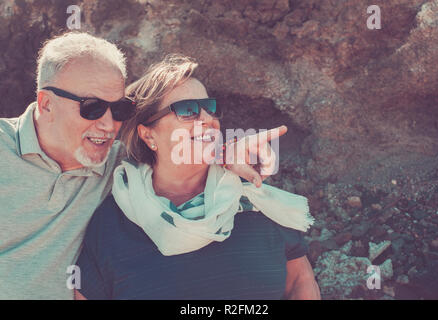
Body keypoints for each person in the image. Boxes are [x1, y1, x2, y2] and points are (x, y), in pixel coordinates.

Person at [0, 32, 281, 300]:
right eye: (92, 108)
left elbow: (173, 151)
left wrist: (224, 154)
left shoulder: (119, 165)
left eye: (119, 109)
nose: (109, 125)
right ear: (46, 103)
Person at [74, 54, 320, 300]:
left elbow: (300, 280)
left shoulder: (255, 200)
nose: (207, 119)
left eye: (209, 108)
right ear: (148, 136)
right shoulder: (112, 222)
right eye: (188, 110)